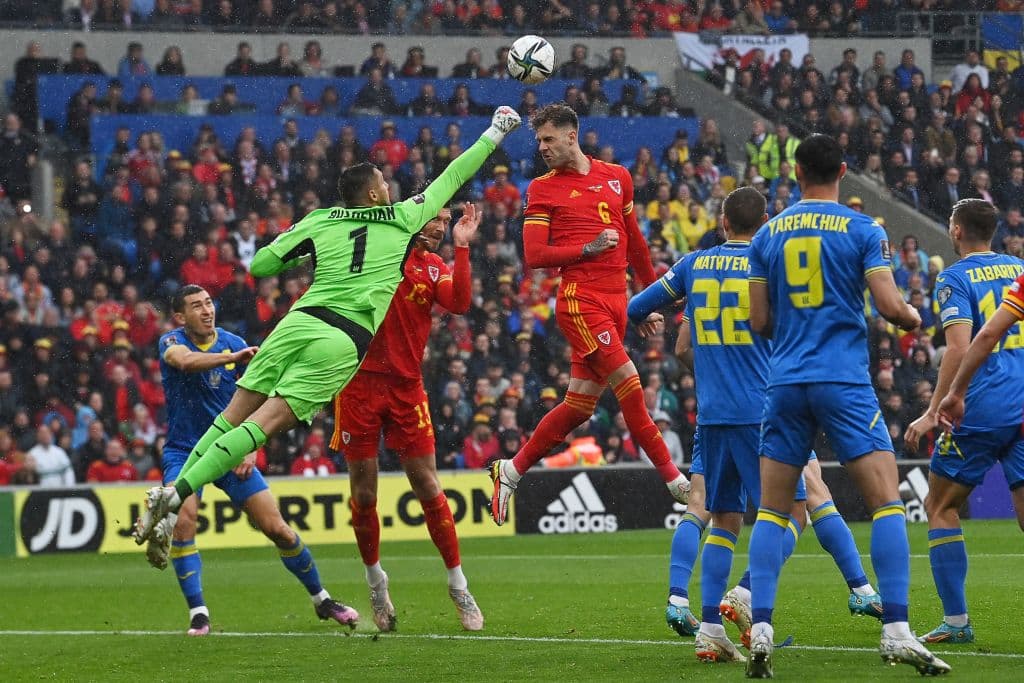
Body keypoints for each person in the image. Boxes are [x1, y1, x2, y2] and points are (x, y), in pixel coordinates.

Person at [132, 107, 522, 550]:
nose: (389, 188)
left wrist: (303, 254)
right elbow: (454, 175)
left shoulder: (322, 220)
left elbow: (261, 264)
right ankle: (175, 495)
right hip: (340, 338)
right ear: (374, 195)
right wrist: (495, 132)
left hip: (297, 322)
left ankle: (174, 490)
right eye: (383, 183)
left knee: (227, 420)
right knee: (261, 427)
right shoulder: (402, 217)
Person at [628, 187, 882, 661]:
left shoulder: (693, 265)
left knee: (721, 516)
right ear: (765, 223)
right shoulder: (770, 266)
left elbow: (637, 309)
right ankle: (753, 596)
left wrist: (653, 322)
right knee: (793, 511)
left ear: (723, 221)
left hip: (714, 413)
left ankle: (707, 628)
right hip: (768, 410)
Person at [743, 134, 948, 677]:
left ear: (794, 171)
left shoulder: (766, 235)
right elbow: (887, 305)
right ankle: (897, 629)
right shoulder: (863, 229)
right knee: (884, 501)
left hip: (784, 382)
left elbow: (758, 321)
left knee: (771, 508)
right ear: (843, 169)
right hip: (843, 380)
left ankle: (760, 626)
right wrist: (910, 317)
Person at [489, 103, 690, 527]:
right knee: (630, 385)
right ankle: (674, 480)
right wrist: (586, 249)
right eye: (538, 140)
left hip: (617, 301)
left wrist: (651, 297)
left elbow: (635, 240)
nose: (542, 147)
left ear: (571, 135)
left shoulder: (617, 177)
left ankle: (511, 469)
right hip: (580, 301)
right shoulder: (542, 189)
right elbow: (534, 255)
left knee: (579, 406)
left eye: (548, 139)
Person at [146, 285, 360, 636]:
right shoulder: (172, 342)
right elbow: (185, 362)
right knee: (184, 522)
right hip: (185, 449)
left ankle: (322, 599)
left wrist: (250, 448)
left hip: (231, 450)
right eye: (196, 306)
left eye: (208, 303)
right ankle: (199, 614)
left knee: (277, 529)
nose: (206, 310)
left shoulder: (233, 342)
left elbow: (260, 401)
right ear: (180, 317)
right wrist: (231, 358)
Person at [331, 205, 484, 632]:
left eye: (445, 220)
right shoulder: (376, 253)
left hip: (406, 388)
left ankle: (458, 584)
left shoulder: (433, 266)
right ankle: (376, 581)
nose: (439, 226)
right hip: (357, 385)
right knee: (364, 496)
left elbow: (460, 303)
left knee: (429, 486)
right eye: (434, 218)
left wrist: (462, 248)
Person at [905, 200, 1024, 643]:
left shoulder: (954, 277)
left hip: (981, 406)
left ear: (955, 230)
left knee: (940, 506)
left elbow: (958, 347)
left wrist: (935, 410)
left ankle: (956, 623)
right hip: (1022, 402)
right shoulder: (1018, 267)